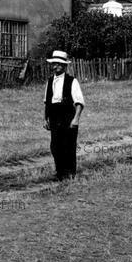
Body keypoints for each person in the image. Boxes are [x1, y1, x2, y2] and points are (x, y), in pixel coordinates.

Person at [43, 50, 85, 181]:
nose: (55, 67)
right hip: (54, 117)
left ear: (65, 66)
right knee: (55, 146)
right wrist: (45, 119)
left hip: (68, 116)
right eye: (54, 64)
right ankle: (60, 171)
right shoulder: (50, 81)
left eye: (58, 64)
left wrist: (76, 119)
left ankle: (70, 173)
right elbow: (47, 102)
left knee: (68, 145)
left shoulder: (72, 81)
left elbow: (79, 102)